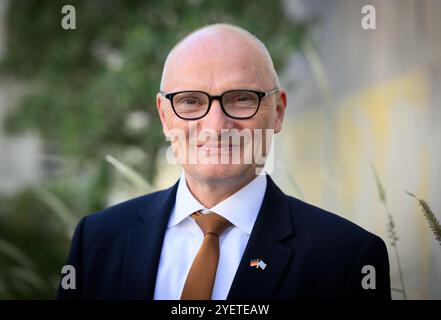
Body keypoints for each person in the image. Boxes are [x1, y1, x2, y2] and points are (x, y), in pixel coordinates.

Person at [57, 23, 391, 300]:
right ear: (164, 115)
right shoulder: (97, 241)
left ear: (277, 112)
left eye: (241, 99)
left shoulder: (347, 258)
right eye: (190, 101)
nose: (216, 126)